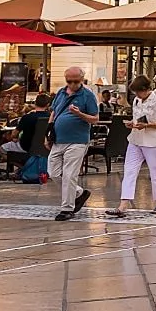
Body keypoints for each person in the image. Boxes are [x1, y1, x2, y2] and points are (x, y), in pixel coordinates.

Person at [106, 76, 156, 218]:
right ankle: (123, 204)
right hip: (135, 140)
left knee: (155, 172)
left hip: (152, 142)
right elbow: (137, 117)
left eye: (138, 92)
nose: (136, 95)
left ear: (145, 89)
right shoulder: (136, 100)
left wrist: (147, 125)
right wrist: (132, 123)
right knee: (129, 170)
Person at [50, 68, 101, 220]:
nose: (72, 84)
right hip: (59, 139)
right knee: (53, 172)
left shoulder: (88, 96)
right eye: (69, 81)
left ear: (82, 79)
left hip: (78, 140)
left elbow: (95, 119)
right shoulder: (61, 92)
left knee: (69, 174)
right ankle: (79, 193)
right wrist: (49, 131)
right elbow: (53, 112)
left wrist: (79, 114)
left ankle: (67, 208)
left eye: (76, 81)